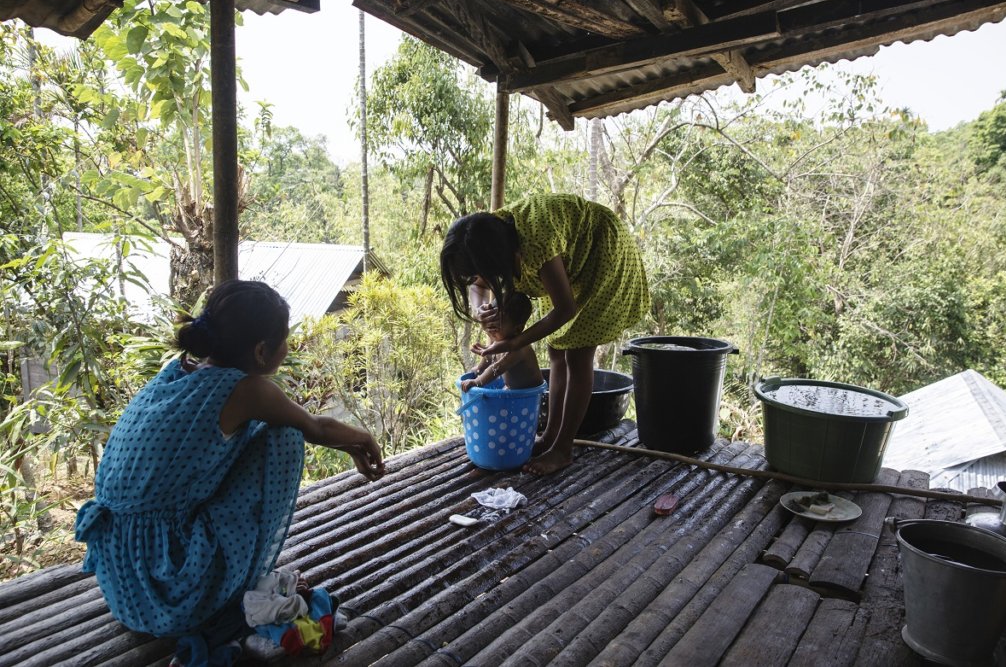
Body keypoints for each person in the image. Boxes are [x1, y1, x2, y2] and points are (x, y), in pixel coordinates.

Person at [74, 280, 384, 665]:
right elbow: (315, 428)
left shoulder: (176, 372)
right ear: (260, 351)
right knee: (283, 437)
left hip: (122, 582)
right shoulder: (246, 390)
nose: (288, 349)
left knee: (254, 433)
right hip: (171, 595)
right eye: (284, 340)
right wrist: (363, 438)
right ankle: (229, 588)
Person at [441, 193, 649, 475]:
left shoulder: (536, 242)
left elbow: (565, 309)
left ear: (501, 259)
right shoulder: (483, 236)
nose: (477, 280)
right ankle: (550, 436)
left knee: (577, 353)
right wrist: (480, 311)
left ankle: (563, 449)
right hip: (573, 260)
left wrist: (517, 341)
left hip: (603, 251)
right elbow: (477, 287)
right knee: (556, 350)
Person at [461, 291, 544, 392]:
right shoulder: (499, 339)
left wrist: (477, 381)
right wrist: (479, 368)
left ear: (517, 329)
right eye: (490, 323)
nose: (490, 328)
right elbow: (490, 357)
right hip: (513, 389)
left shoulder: (519, 348)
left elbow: (497, 369)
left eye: (496, 326)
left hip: (532, 393)